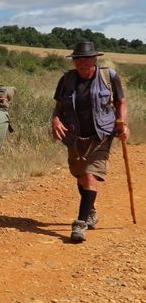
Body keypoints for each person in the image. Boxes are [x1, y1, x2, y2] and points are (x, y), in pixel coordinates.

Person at [51, 40, 130, 243]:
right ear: (74, 61)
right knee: (79, 175)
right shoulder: (67, 80)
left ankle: (80, 224)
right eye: (79, 60)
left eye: (87, 59)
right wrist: (55, 121)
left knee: (89, 175)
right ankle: (91, 210)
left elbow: (120, 102)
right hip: (74, 135)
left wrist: (123, 124)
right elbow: (59, 106)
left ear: (95, 59)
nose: (83, 64)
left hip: (102, 134)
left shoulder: (109, 76)